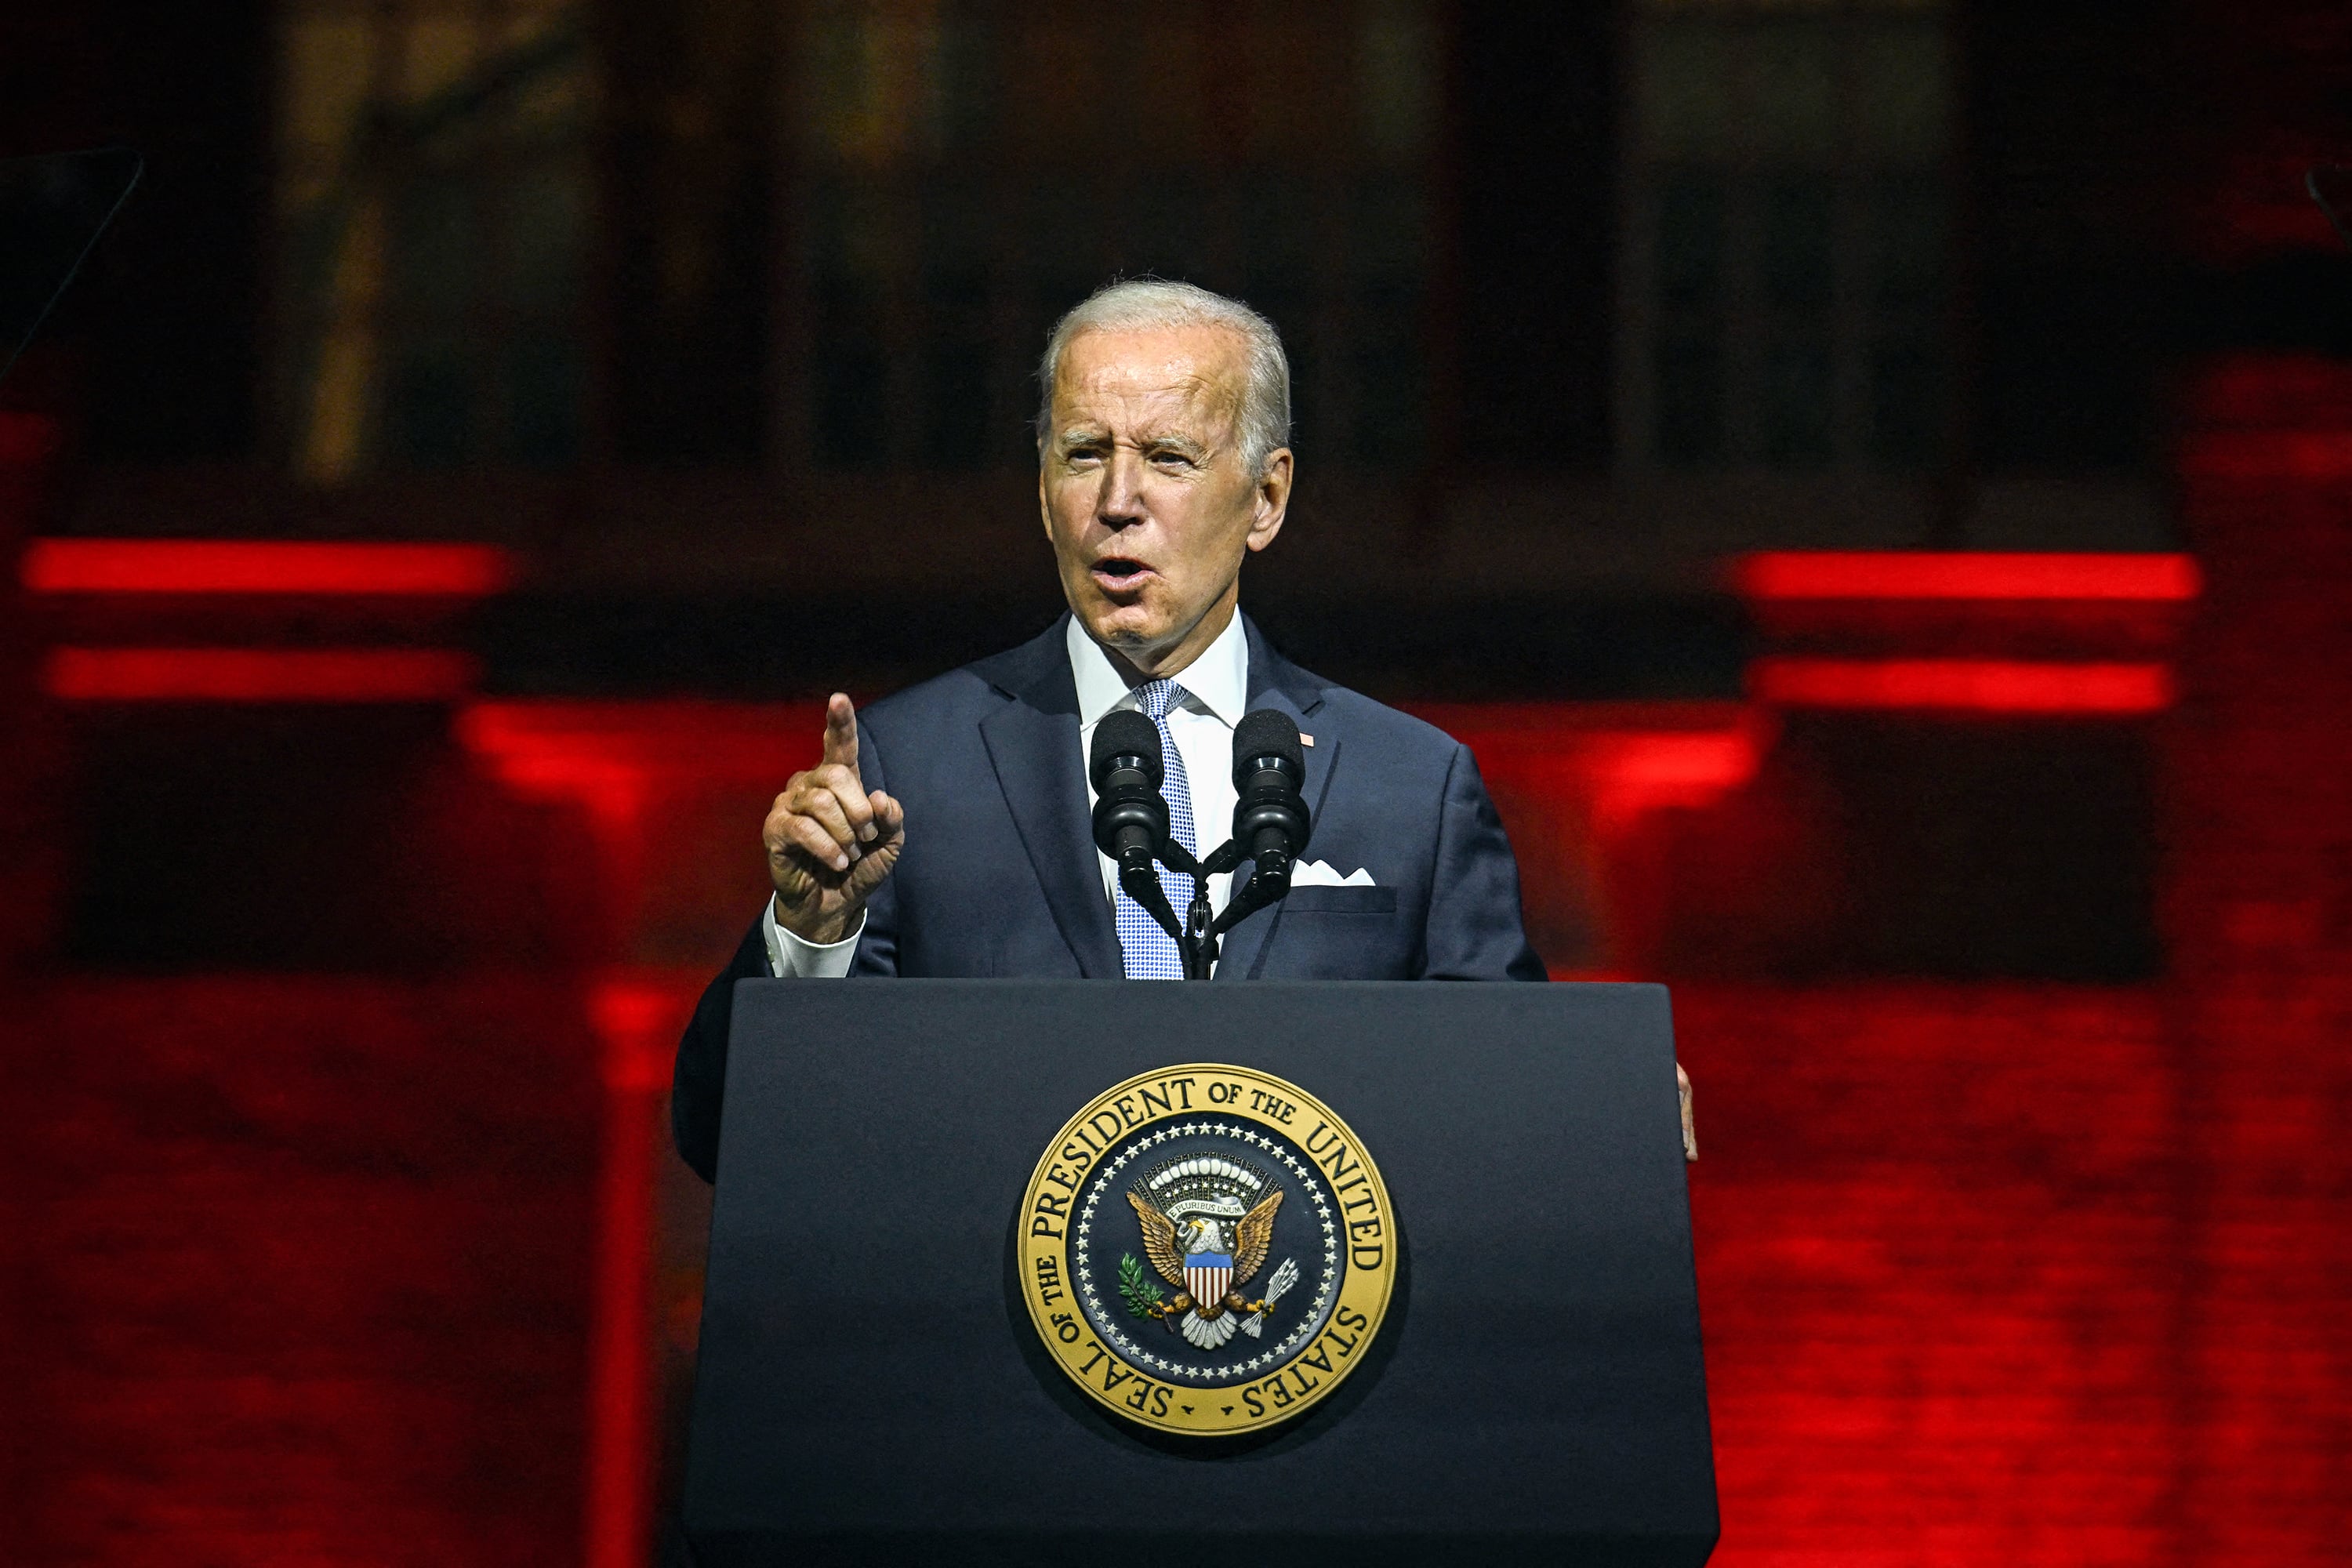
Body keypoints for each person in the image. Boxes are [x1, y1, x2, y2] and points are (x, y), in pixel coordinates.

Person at [671, 279, 1545, 1182]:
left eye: (1168, 457)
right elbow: (723, 1134)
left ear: (1267, 499)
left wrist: (1605, 1105)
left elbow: (1510, 1122)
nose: (1117, 501)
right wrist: (811, 938)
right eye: (1084, 454)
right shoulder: (911, 774)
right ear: (1045, 494)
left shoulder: (1410, 786)